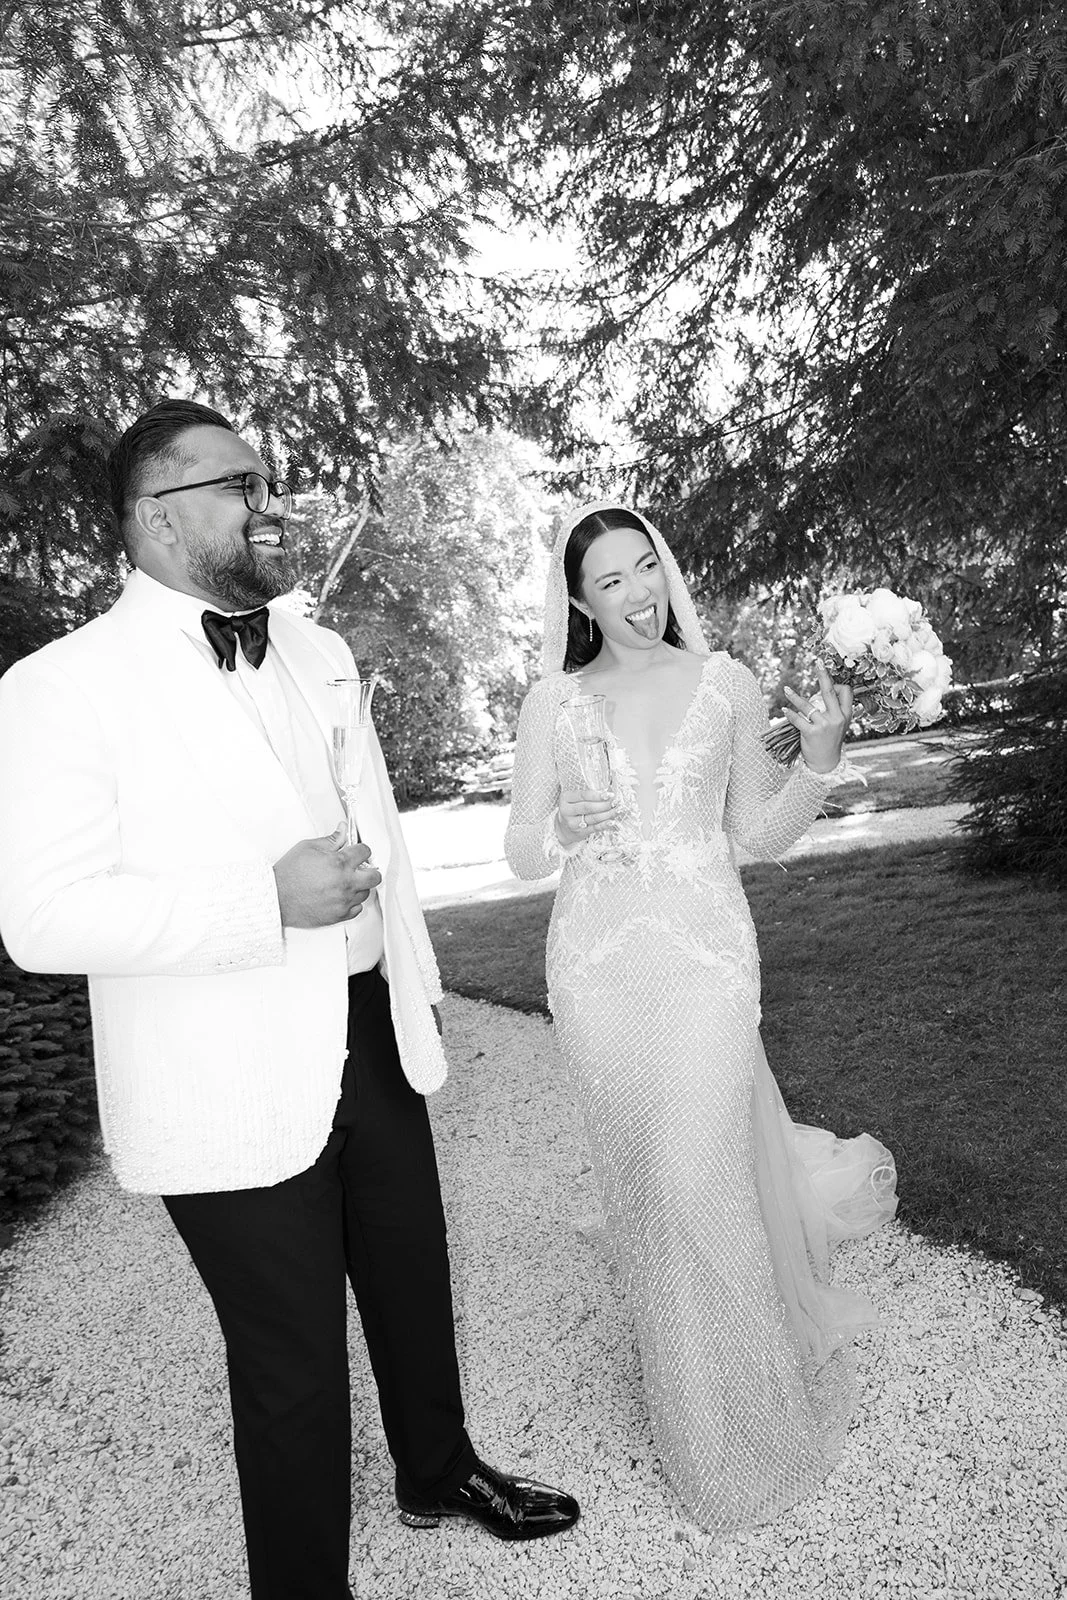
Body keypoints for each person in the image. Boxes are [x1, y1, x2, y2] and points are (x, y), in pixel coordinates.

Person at [0, 399, 578, 1600]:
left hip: (369, 1023)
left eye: (265, 483)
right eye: (237, 487)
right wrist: (257, 900)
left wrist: (403, 987)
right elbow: (41, 918)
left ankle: (437, 1469)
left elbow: (374, 841)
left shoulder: (313, 648)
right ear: (155, 519)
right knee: (292, 1364)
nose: (266, 506)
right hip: (222, 1066)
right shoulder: (60, 687)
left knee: (413, 1278)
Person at [504, 502, 897, 1536]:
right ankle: (689, 1410)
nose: (634, 592)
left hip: (706, 963)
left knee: (695, 1178)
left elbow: (757, 836)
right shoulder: (553, 699)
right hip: (595, 968)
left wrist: (817, 758)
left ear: (665, 571)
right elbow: (517, 853)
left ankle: (752, 1420)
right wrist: (555, 824)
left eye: (644, 567)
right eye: (607, 581)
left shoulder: (724, 685)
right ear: (579, 602)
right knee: (647, 1186)